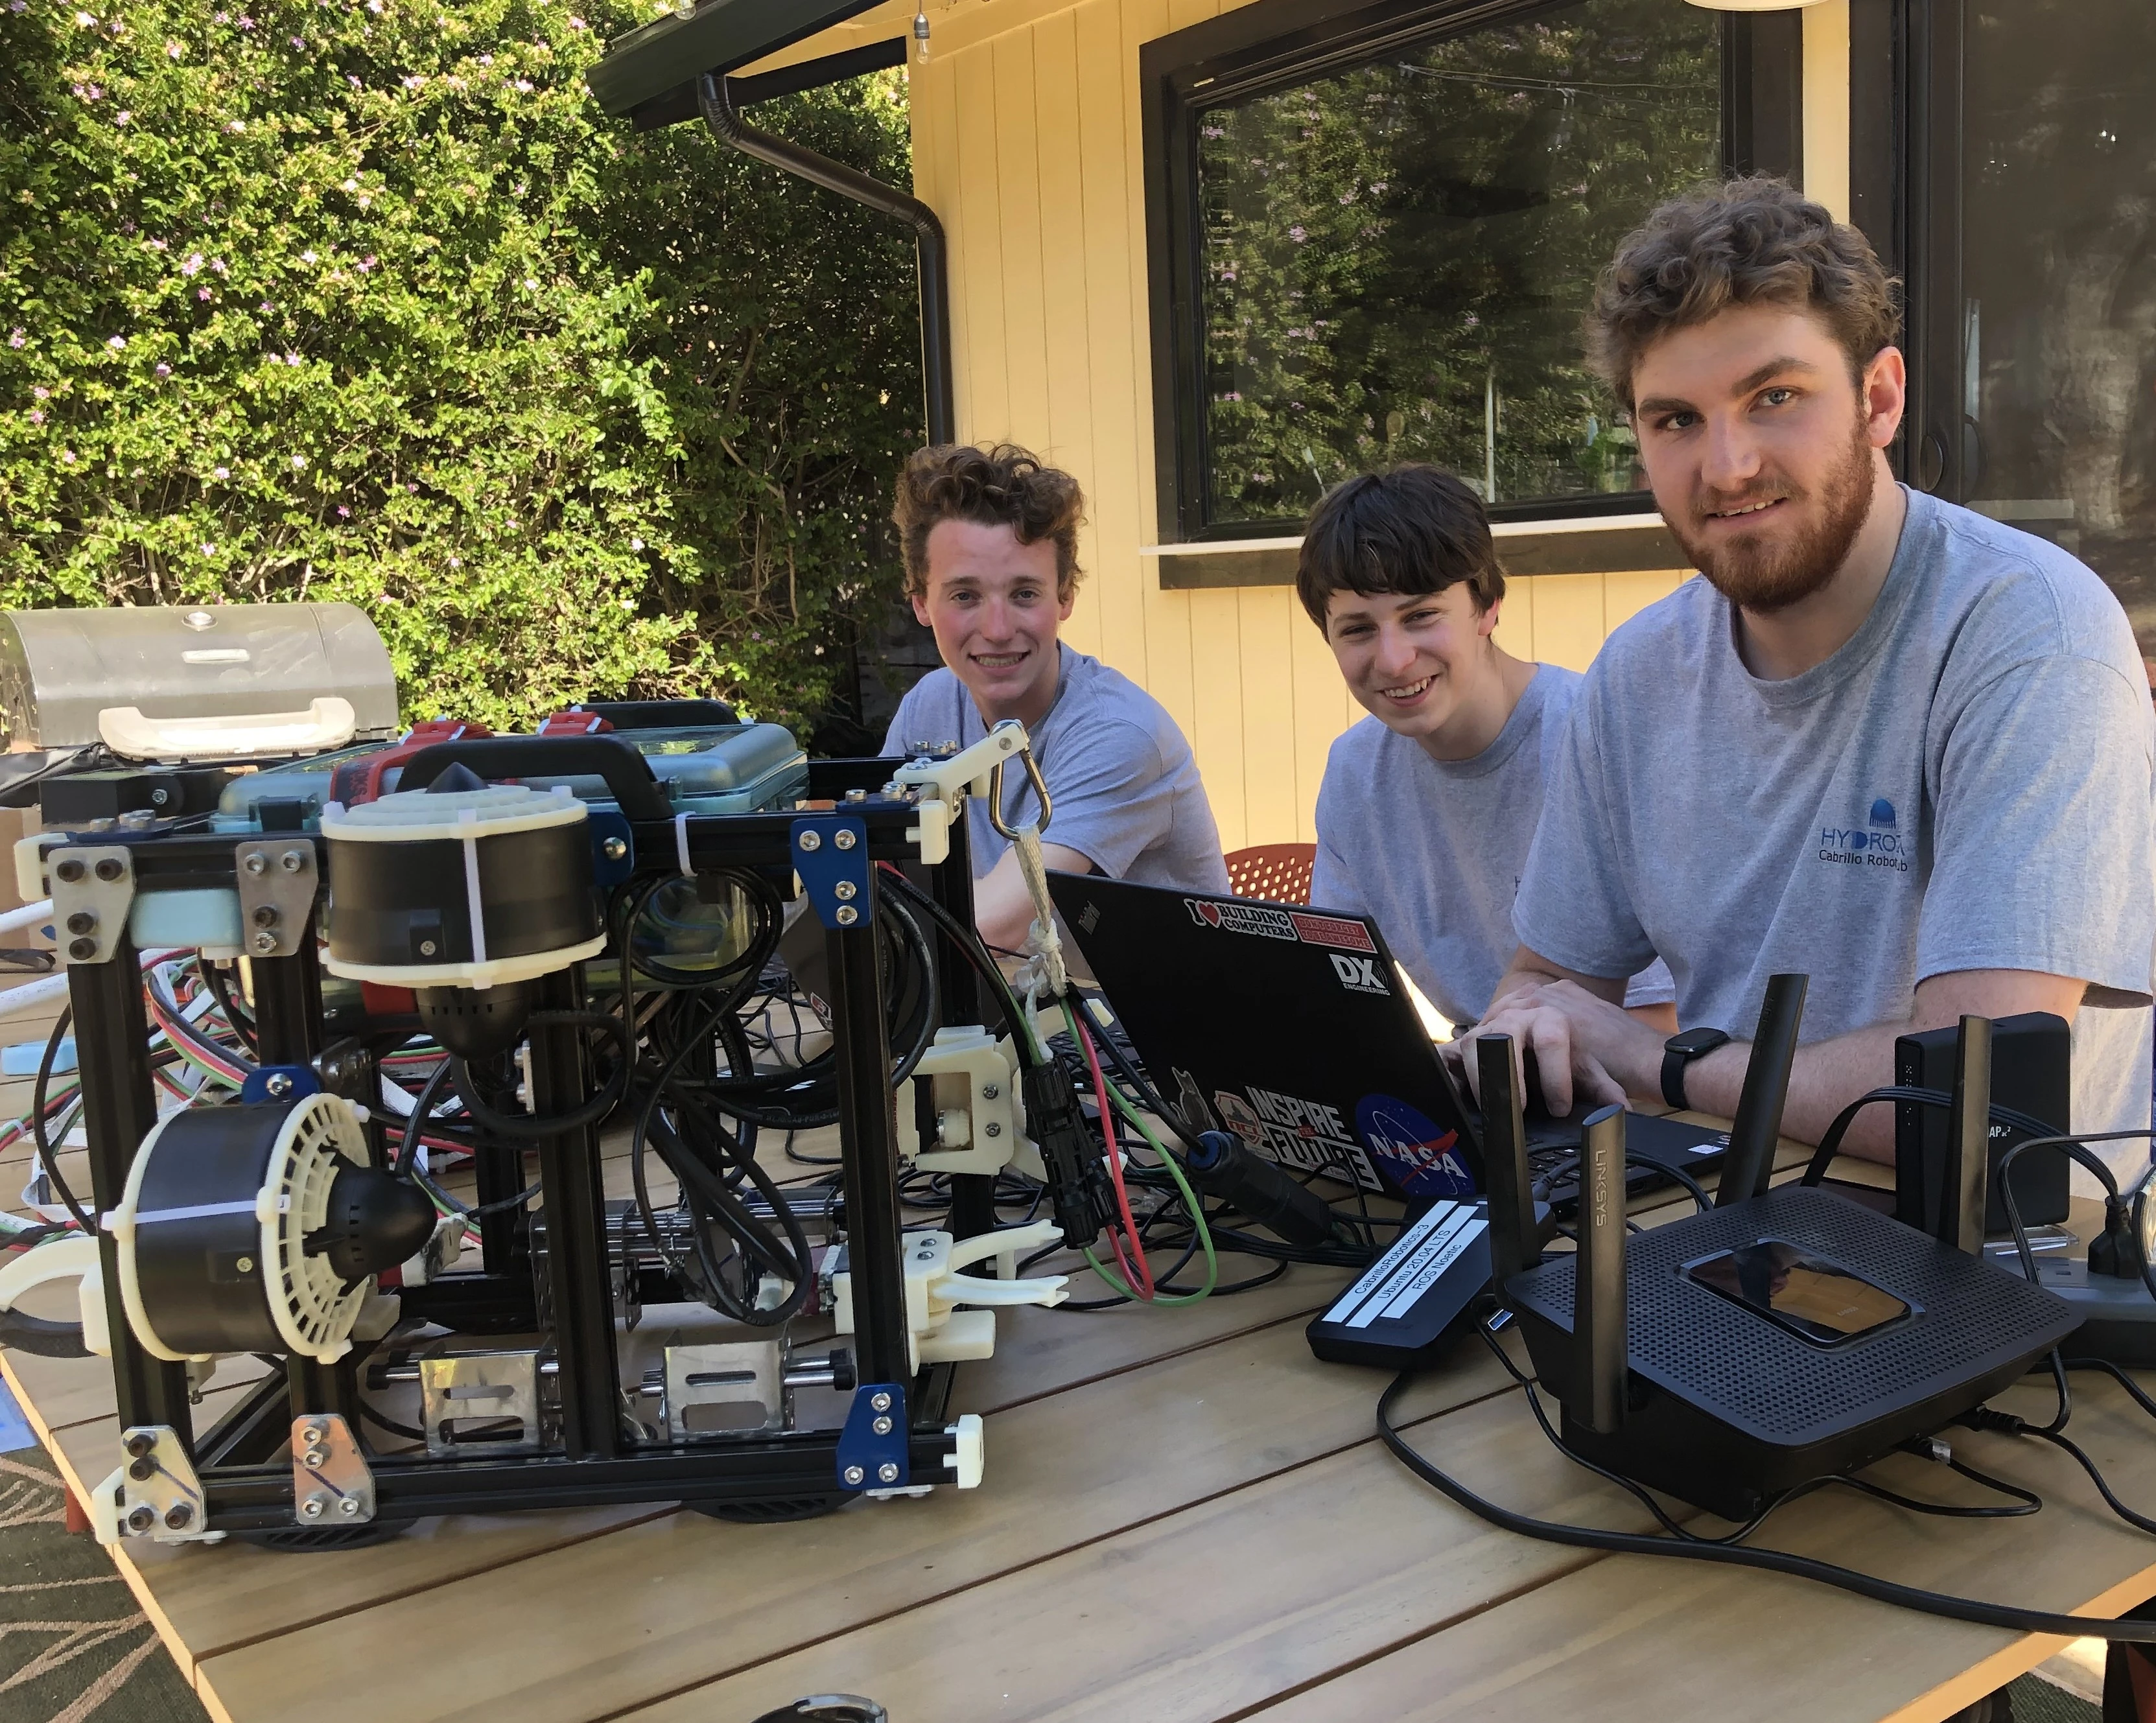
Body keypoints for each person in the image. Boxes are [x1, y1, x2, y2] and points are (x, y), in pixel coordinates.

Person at [1468, 178, 2155, 1174]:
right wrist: (1516, 1036)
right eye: (1674, 421)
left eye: (1773, 397)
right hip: (1716, 1231)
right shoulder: (1637, 673)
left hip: (1999, 1280)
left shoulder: (2028, 633)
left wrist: (1665, 1060)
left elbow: (1973, 1106)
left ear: (1878, 398)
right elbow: (1541, 985)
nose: (1727, 465)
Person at [1298, 465, 1675, 1034]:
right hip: (1488, 1075)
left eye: (1421, 616)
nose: (1394, 659)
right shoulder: (1355, 771)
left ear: (1489, 603)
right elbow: (1337, 995)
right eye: (1357, 630)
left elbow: (1660, 1021)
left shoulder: (1596, 737)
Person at [882, 443, 1230, 955]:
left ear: (1065, 596)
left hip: (1134, 1027)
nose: (997, 630)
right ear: (920, 603)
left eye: (1025, 593)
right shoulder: (928, 706)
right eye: (965, 596)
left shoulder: (1120, 736)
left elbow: (992, 929)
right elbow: (882, 873)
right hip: (1012, 1007)